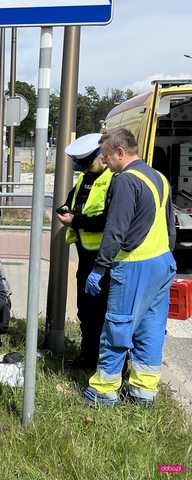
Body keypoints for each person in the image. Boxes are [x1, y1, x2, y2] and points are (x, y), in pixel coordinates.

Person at [83, 128, 176, 407]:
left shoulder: (124, 180)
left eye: (106, 156)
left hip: (135, 264)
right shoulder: (158, 177)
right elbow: (171, 227)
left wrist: (99, 268)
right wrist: (166, 260)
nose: (104, 162)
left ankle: (104, 390)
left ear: (120, 153)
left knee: (118, 326)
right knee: (151, 328)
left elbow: (115, 230)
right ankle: (143, 391)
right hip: (162, 262)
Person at [57, 133, 114, 369]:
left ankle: (105, 362)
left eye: (87, 163)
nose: (84, 169)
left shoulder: (114, 180)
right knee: (86, 310)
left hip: (106, 259)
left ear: (102, 156)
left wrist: (76, 221)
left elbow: (109, 221)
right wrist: (66, 211)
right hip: (85, 257)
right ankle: (87, 356)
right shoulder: (84, 179)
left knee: (103, 313)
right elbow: (72, 202)